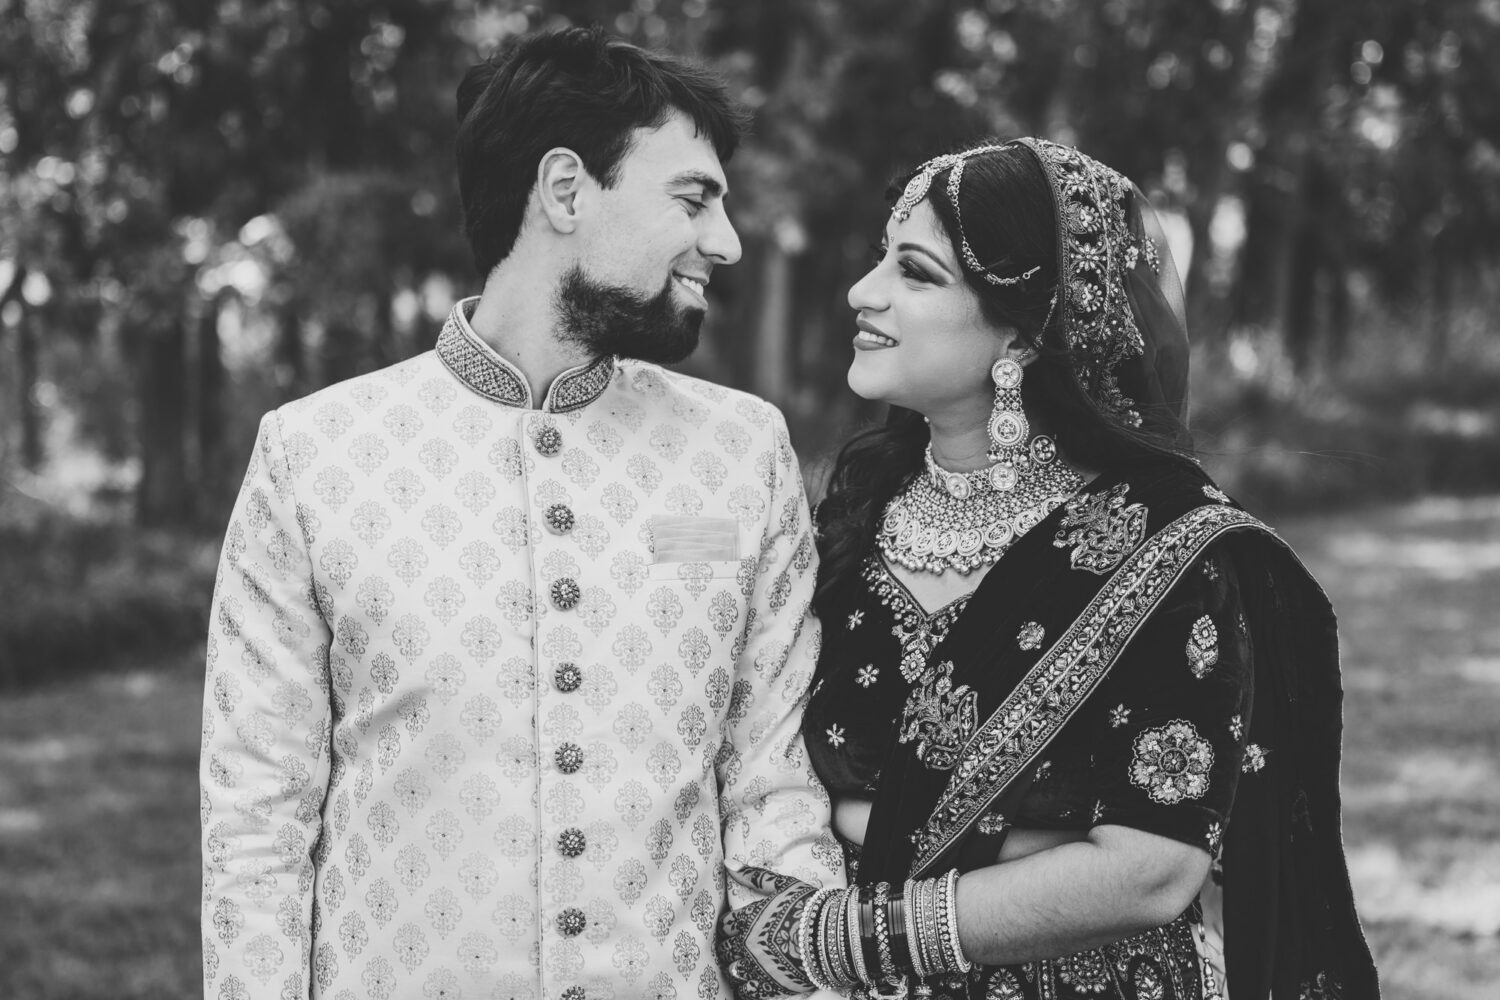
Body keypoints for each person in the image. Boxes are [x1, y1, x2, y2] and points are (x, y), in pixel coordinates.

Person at [200, 26, 844, 1000]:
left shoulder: (743, 455)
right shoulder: (313, 458)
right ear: (566, 190)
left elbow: (772, 792)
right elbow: (256, 826)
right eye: (693, 198)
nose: (727, 242)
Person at [719, 139, 1378, 999]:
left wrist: (852, 930)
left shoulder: (1163, 550)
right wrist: (1034, 851)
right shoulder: (850, 520)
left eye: (914, 272)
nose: (863, 291)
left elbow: (1150, 867)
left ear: (1024, 336)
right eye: (879, 258)